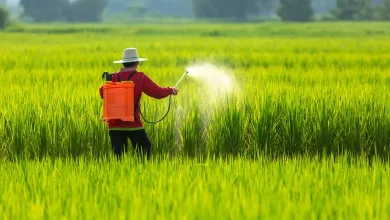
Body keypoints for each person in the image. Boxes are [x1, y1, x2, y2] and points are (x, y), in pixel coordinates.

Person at [99, 48, 179, 159]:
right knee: (145, 148)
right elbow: (157, 93)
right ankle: (143, 173)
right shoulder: (140, 77)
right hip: (133, 124)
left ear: (123, 62)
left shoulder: (112, 77)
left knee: (118, 157)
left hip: (114, 125)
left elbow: (102, 92)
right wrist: (171, 90)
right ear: (137, 62)